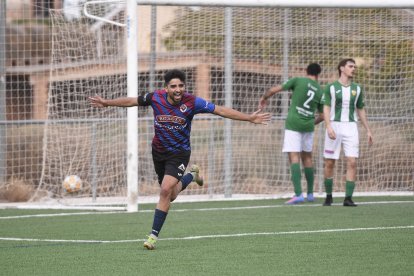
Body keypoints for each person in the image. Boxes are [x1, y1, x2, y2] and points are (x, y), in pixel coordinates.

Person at [88, 69, 271, 249]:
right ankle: (192, 175)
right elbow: (131, 101)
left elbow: (220, 110)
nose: (178, 89)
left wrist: (249, 118)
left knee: (165, 190)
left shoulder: (192, 102)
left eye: (181, 85)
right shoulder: (155, 98)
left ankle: (152, 236)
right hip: (158, 152)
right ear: (166, 88)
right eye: (173, 86)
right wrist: (107, 103)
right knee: (171, 194)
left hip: (179, 153)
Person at [259, 63, 323, 204]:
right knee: (307, 158)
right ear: (318, 74)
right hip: (308, 126)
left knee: (294, 157)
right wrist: (313, 122)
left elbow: (275, 89)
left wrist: (265, 97)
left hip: (294, 124)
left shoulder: (298, 80)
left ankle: (299, 194)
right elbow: (323, 115)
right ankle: (311, 194)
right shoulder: (320, 90)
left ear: (306, 71)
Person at [322, 58, 373, 207]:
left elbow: (361, 109)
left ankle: (348, 198)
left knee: (352, 162)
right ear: (342, 68)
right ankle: (329, 196)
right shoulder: (331, 87)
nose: (354, 69)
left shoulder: (357, 88)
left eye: (354, 67)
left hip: (351, 127)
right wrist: (328, 126)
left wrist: (368, 130)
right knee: (330, 162)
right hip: (334, 126)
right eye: (351, 66)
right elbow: (326, 107)